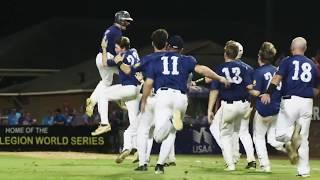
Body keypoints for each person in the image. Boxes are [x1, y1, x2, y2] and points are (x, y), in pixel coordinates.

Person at [140, 29, 229, 174]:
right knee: (171, 133)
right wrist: (219, 78)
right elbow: (202, 69)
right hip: (181, 99)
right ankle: (160, 165)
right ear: (181, 49)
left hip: (163, 96)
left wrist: (144, 99)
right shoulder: (187, 60)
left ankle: (170, 122)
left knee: (158, 136)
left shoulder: (156, 59)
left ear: (167, 46)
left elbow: (149, 83)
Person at [260, 37, 319, 177]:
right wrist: (311, 94)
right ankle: (304, 171)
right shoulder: (312, 64)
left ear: (293, 47)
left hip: (290, 101)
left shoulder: (287, 61)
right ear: (304, 48)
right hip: (307, 102)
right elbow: (317, 88)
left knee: (280, 135)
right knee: (304, 139)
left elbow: (277, 78)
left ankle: (291, 135)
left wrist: (268, 93)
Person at [91, 36, 141, 165]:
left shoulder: (120, 56)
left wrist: (103, 49)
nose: (115, 49)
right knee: (134, 120)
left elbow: (104, 63)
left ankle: (104, 123)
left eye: (116, 47)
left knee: (103, 94)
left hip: (128, 88)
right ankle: (137, 150)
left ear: (122, 48)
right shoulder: (134, 51)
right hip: (137, 89)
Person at [207, 41, 251, 171]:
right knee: (237, 132)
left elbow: (214, 90)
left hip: (229, 105)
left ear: (225, 53)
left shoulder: (220, 68)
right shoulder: (246, 67)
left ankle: (231, 162)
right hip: (244, 105)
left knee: (225, 135)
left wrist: (209, 109)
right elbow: (250, 87)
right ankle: (238, 156)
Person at [85, 10, 133, 123]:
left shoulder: (110, 29)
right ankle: (120, 99)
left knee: (106, 83)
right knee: (126, 73)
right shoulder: (117, 32)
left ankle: (92, 101)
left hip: (100, 58)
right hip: (107, 58)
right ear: (120, 20)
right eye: (126, 21)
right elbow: (118, 50)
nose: (128, 23)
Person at [249, 42, 285, 172]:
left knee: (258, 137)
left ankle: (265, 165)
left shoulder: (259, 71)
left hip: (264, 109)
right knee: (271, 138)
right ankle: (287, 145)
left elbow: (257, 92)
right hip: (277, 109)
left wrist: (247, 89)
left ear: (260, 56)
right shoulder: (278, 70)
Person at [231, 41, 256, 169]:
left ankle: (233, 158)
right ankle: (251, 159)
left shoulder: (229, 66)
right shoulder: (249, 68)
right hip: (246, 103)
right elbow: (252, 88)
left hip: (231, 103)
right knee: (244, 132)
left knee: (231, 131)